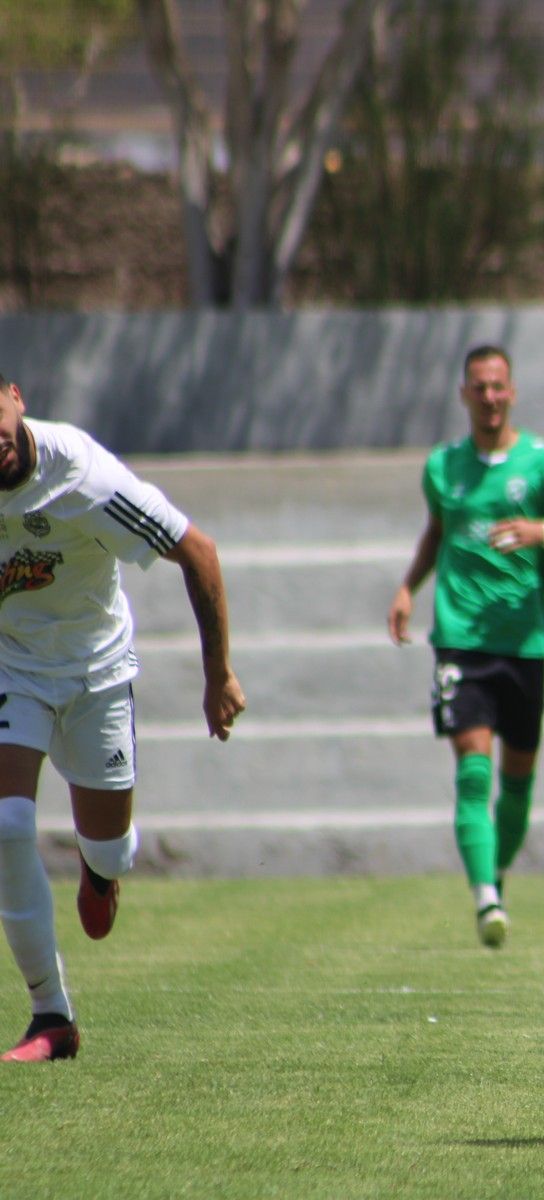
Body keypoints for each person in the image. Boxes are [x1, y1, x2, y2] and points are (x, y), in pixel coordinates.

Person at [0, 371, 245, 1063]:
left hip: (97, 672)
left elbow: (198, 550)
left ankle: (102, 869)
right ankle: (52, 1015)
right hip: (13, 669)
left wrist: (218, 674)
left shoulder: (80, 472)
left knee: (109, 851)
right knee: (8, 822)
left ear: (16, 398)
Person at [388, 346, 544, 949]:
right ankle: (485, 899)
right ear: (464, 394)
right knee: (474, 775)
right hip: (462, 641)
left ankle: (493, 870)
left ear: (512, 391)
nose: (490, 397)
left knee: (517, 782)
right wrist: (406, 588)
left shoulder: (543, 462)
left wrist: (541, 532)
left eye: (499, 386)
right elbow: (437, 532)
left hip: (525, 642)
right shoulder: (442, 466)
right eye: (480, 387)